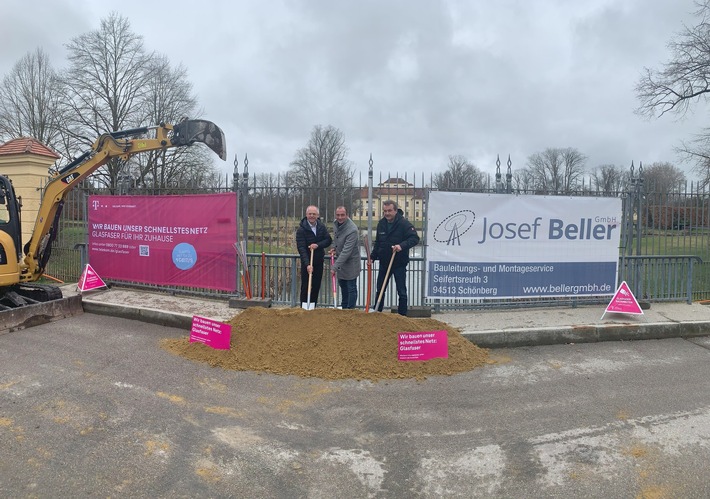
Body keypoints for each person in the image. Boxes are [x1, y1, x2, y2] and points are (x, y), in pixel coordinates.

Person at [370, 200, 420, 316]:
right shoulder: (381, 224)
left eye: (389, 211)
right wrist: (372, 257)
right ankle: (377, 312)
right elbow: (378, 243)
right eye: (385, 211)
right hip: (384, 262)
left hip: (399, 263)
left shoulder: (404, 224)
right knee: (380, 289)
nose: (387, 213)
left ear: (395, 211)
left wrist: (401, 246)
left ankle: (402, 315)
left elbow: (414, 239)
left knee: (401, 291)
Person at [296, 205, 332, 307]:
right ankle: (304, 308)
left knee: (316, 286)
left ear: (317, 215)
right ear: (306, 215)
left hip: (318, 261)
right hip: (307, 263)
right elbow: (301, 248)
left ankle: (313, 307)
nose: (312, 216)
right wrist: (307, 264)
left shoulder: (321, 227)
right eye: (310, 214)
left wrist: (317, 245)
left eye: (314, 214)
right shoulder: (301, 230)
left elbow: (328, 240)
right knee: (306, 286)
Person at [330, 206, 360, 309]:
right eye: (338, 215)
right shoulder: (335, 224)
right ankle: (344, 309)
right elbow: (336, 238)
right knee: (343, 286)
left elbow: (347, 251)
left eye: (342, 215)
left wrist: (334, 267)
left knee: (351, 287)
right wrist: (334, 247)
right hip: (341, 264)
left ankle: (351, 310)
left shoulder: (352, 230)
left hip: (351, 263)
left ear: (347, 215)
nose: (340, 217)